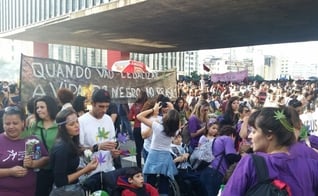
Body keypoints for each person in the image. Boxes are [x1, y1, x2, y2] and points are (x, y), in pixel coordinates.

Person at [222, 107, 318, 196]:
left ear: (269, 135)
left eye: (254, 131)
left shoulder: (251, 163)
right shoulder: (312, 165)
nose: (250, 136)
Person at [0, 106, 49, 196]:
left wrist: (33, 164)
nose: (11, 127)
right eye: (7, 124)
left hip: (28, 191)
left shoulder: (31, 140)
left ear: (23, 123)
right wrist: (9, 171)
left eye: (15, 123)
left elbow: (45, 159)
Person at [79, 89, 120, 192]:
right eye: (101, 106)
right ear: (92, 104)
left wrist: (115, 152)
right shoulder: (81, 121)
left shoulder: (108, 119)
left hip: (109, 170)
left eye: (107, 106)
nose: (104, 110)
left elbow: (113, 141)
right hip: (90, 173)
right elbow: (78, 149)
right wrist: (97, 147)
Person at [50, 108, 98, 195]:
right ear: (62, 128)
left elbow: (68, 169)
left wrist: (83, 169)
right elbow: (60, 181)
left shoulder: (71, 142)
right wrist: (85, 170)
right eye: (72, 124)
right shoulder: (62, 148)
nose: (77, 126)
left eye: (77, 122)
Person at [137, 102, 179, 195]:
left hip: (154, 155)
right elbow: (175, 120)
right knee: (164, 182)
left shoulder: (158, 126)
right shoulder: (175, 131)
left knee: (150, 181)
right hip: (165, 156)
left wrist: (153, 110)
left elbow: (139, 116)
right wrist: (172, 109)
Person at [24, 95, 59, 196]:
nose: (38, 110)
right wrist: (30, 160)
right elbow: (29, 143)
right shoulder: (34, 125)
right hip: (39, 170)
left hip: (56, 169)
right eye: (37, 108)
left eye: (42, 107)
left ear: (50, 107)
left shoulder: (60, 125)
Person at [200, 125, 241, 196]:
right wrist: (242, 157)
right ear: (232, 135)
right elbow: (230, 157)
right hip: (216, 174)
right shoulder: (227, 139)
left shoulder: (216, 139)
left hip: (206, 171)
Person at [128, 91, 148, 168]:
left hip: (137, 127)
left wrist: (134, 117)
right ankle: (147, 165)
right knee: (147, 147)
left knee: (138, 149)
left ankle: (138, 167)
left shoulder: (135, 105)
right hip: (146, 127)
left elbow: (129, 117)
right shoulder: (147, 105)